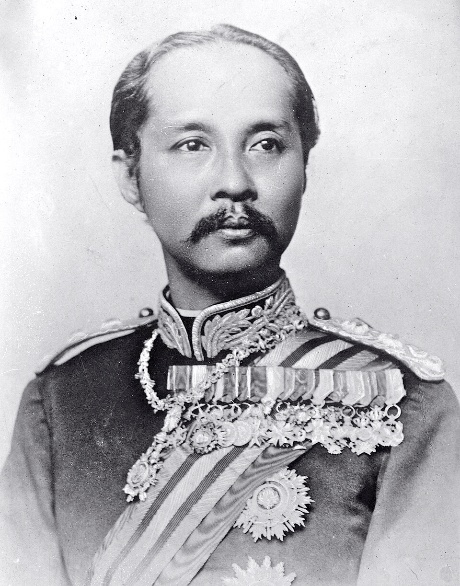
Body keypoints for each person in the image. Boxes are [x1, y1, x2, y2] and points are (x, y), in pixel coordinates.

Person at [0, 24, 458, 586]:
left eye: (266, 144)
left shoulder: (405, 403)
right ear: (130, 176)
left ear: (305, 167)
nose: (235, 182)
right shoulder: (61, 401)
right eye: (193, 145)